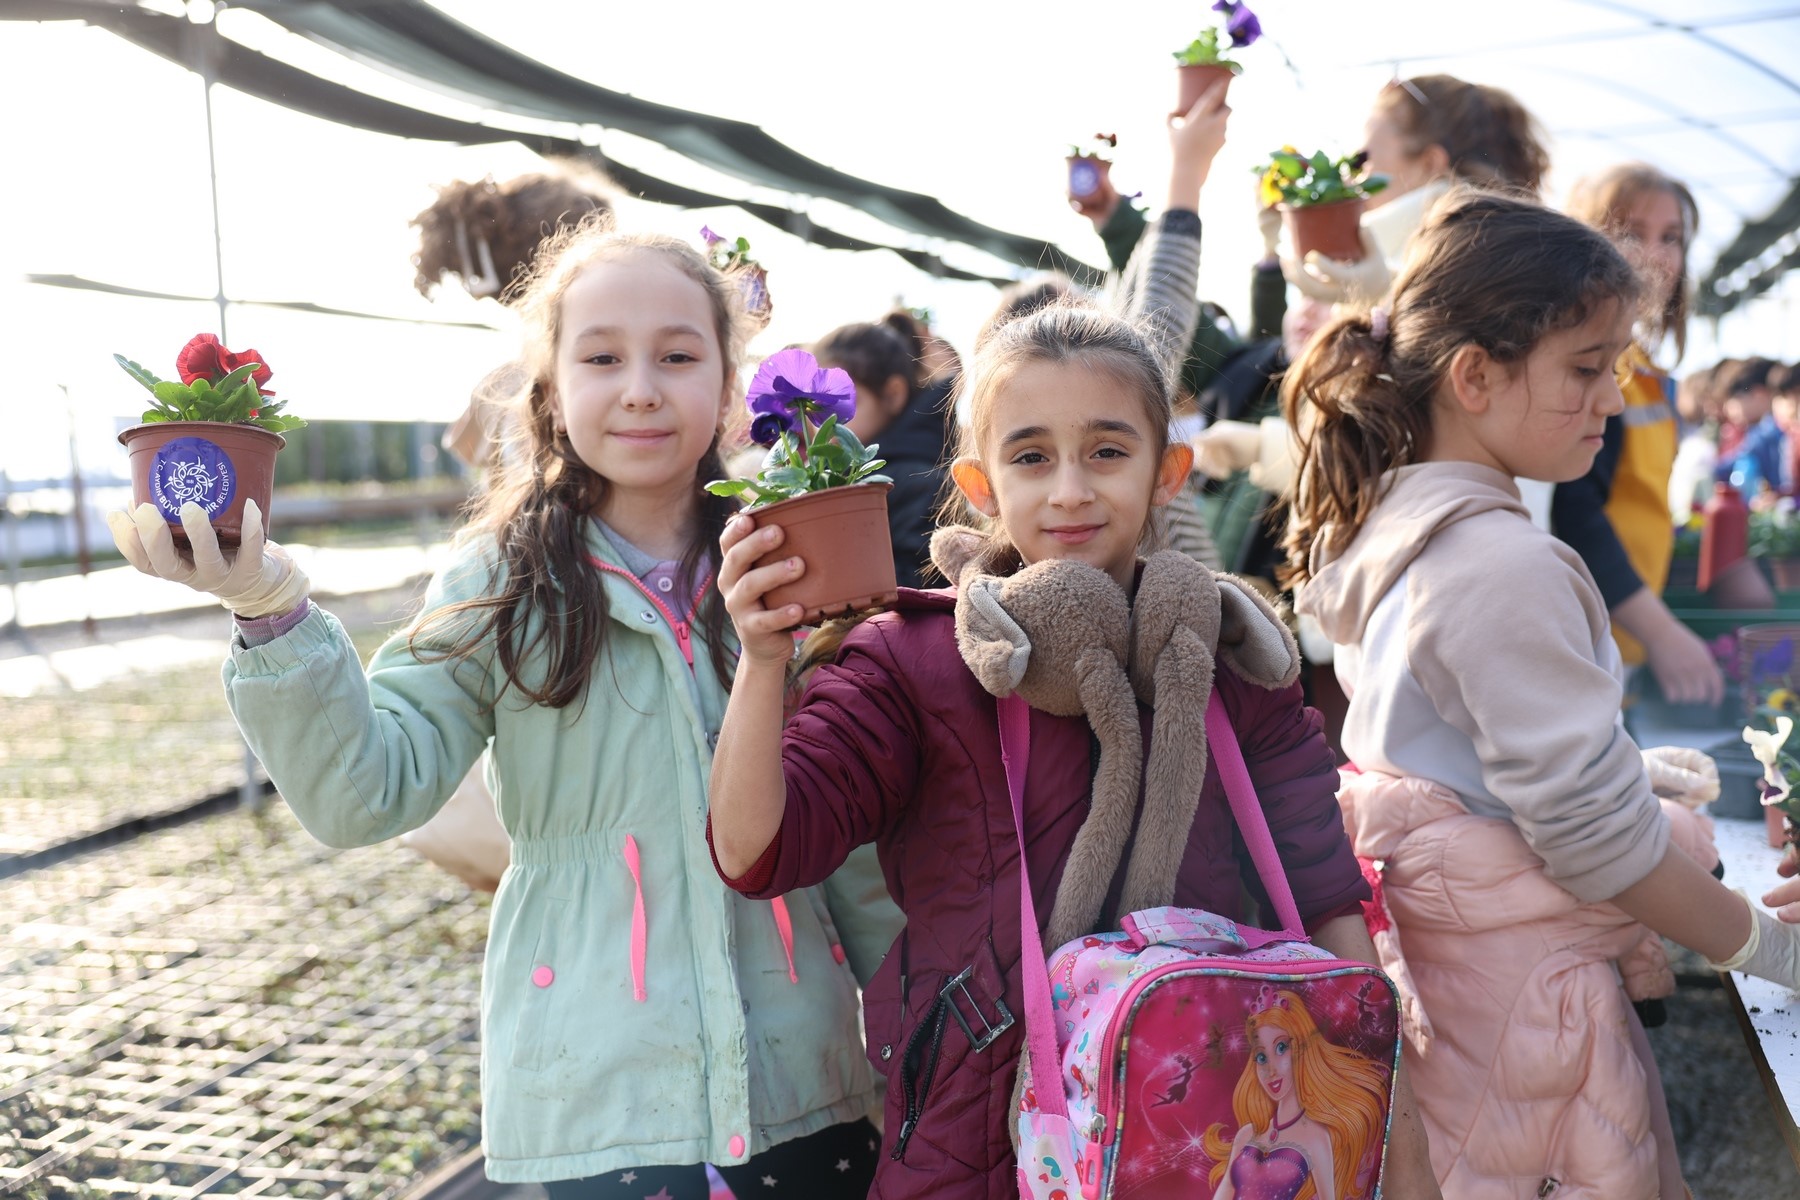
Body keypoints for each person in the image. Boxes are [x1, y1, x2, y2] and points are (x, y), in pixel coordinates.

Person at [705, 84, 1440, 1200]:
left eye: (1107, 451)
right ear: (978, 484)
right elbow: (763, 848)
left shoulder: (1235, 657)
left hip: (1219, 1141)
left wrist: (1382, 1134)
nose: (1069, 490)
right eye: (1032, 456)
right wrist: (765, 664)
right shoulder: (913, 663)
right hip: (980, 1141)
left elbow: (1327, 887)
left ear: (1167, 472)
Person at [105, 222, 902, 1199]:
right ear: (552, 383)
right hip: (599, 1104)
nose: (641, 385)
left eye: (678, 355)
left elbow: (851, 844)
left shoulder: (783, 560)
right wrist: (272, 612)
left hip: (806, 1082)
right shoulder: (505, 580)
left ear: (729, 382)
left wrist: (922, 1034)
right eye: (602, 355)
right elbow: (367, 790)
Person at [1286, 188, 1800, 1196]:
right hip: (1533, 1026)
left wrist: (1623, 768)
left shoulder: (1392, 538)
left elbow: (1459, 761)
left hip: (1458, 1000)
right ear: (1475, 376)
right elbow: (1601, 847)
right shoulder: (1501, 565)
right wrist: (1777, 951)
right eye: (1586, 368)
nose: (1613, 398)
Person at [1553, 163, 1724, 709]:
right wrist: (1663, 632)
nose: (1654, 253)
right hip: (1577, 653)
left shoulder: (1644, 371)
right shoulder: (1589, 368)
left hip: (1615, 652)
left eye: (1670, 237)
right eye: (1628, 232)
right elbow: (1574, 513)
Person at [1203, 989, 1390, 1200]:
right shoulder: (1246, 1135)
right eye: (1261, 1057)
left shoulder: (1315, 1136)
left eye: (1281, 1047)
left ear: (1303, 1049)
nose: (1271, 1069)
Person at [813, 316, 953, 589]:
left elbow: (916, 589)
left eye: (841, 402)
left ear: (893, 395)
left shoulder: (920, 482)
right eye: (816, 406)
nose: (824, 422)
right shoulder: (844, 473)